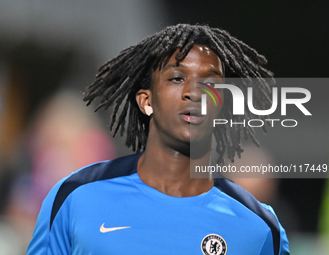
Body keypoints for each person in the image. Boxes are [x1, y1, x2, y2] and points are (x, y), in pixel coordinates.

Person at [27, 24, 290, 254]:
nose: (194, 93)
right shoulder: (74, 197)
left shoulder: (259, 226)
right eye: (177, 78)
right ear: (146, 101)